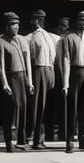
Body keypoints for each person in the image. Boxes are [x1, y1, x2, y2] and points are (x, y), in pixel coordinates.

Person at [61, 11, 84, 153]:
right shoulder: (69, 37)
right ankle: (70, 141)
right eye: (82, 20)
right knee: (72, 109)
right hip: (75, 73)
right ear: (77, 22)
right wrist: (65, 83)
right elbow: (66, 59)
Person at [0, 13, 33, 152]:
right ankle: (8, 142)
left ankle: (21, 141)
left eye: (17, 24)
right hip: (11, 77)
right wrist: (4, 83)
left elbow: (26, 60)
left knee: (23, 108)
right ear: (7, 26)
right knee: (12, 108)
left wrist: (29, 81)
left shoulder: (19, 40)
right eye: (13, 24)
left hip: (22, 77)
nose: (16, 27)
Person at [26, 9, 56, 150]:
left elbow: (52, 55)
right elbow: (31, 58)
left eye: (41, 19)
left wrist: (51, 72)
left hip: (46, 69)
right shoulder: (32, 37)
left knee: (43, 106)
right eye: (38, 19)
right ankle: (34, 138)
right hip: (37, 69)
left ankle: (40, 138)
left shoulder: (46, 35)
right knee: (37, 106)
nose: (39, 21)